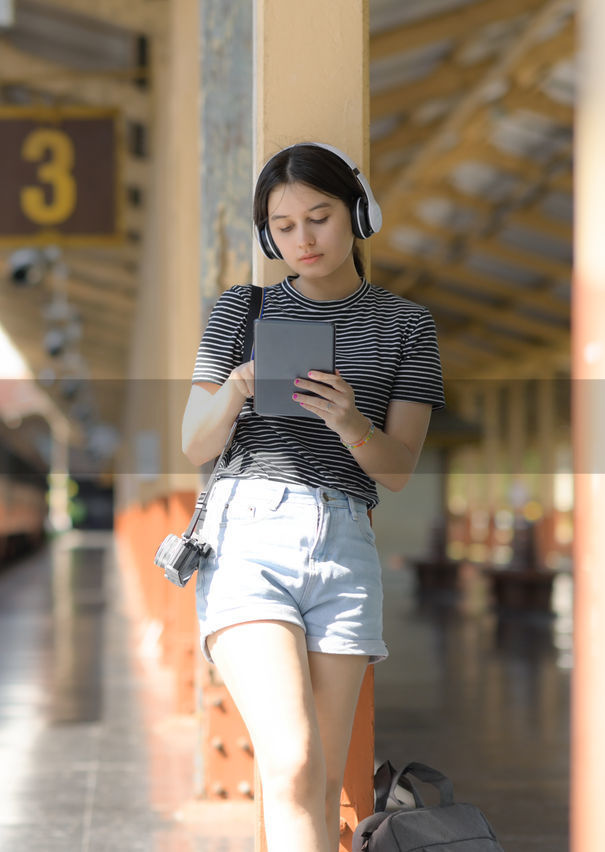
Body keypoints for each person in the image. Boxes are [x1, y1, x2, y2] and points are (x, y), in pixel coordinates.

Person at [180, 142, 445, 852]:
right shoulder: (241, 310)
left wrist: (352, 422)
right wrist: (238, 387)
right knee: (292, 761)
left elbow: (397, 468)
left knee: (325, 781)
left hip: (345, 541)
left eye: (320, 218)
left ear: (357, 215)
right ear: (269, 233)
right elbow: (194, 445)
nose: (304, 239)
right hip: (249, 539)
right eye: (285, 225)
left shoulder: (407, 327)